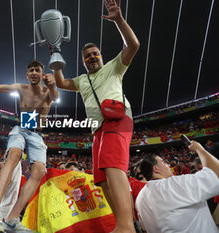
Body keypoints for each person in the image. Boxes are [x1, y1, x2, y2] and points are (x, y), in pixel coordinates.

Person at [53, 0, 139, 232]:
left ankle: (125, 226)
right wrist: (55, 56)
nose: (92, 57)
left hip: (117, 120)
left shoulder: (114, 67)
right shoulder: (82, 80)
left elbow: (133, 44)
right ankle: (131, 223)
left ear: (101, 55)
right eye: (87, 56)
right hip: (97, 129)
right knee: (101, 180)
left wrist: (119, 20)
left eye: (95, 53)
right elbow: (60, 82)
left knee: (113, 168)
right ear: (83, 61)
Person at [0, 60, 58, 231]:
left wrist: (53, 85)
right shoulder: (21, 88)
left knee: (39, 172)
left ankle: (12, 218)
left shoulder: (47, 91)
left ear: (41, 73)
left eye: (37, 70)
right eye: (31, 70)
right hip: (21, 128)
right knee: (14, 154)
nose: (33, 72)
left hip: (37, 134)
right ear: (27, 74)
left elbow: (55, 97)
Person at [136, 141, 219, 233]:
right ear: (156, 168)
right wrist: (199, 149)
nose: (168, 165)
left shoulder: (139, 198)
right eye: (163, 162)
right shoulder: (173, 185)